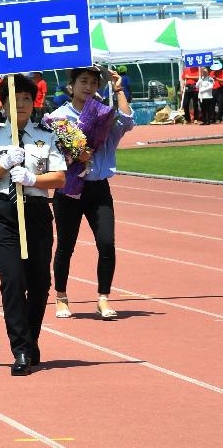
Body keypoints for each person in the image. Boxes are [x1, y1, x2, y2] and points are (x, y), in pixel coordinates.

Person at [0, 74, 67, 376]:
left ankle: (31, 337)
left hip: (37, 210)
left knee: (40, 282)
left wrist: (32, 179)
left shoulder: (46, 136)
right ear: (4, 105)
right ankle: (21, 349)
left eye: (28, 99)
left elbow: (59, 177)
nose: (23, 104)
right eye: (16, 99)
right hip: (3, 213)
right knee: (13, 279)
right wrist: (2, 165)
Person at [51, 66, 134, 320]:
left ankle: (103, 298)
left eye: (94, 82)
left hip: (98, 188)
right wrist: (77, 154)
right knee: (66, 245)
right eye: (83, 81)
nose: (88, 87)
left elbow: (127, 121)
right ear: (71, 86)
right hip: (69, 190)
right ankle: (61, 297)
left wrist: (118, 89)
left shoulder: (103, 114)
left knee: (107, 243)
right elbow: (53, 155)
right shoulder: (58, 117)